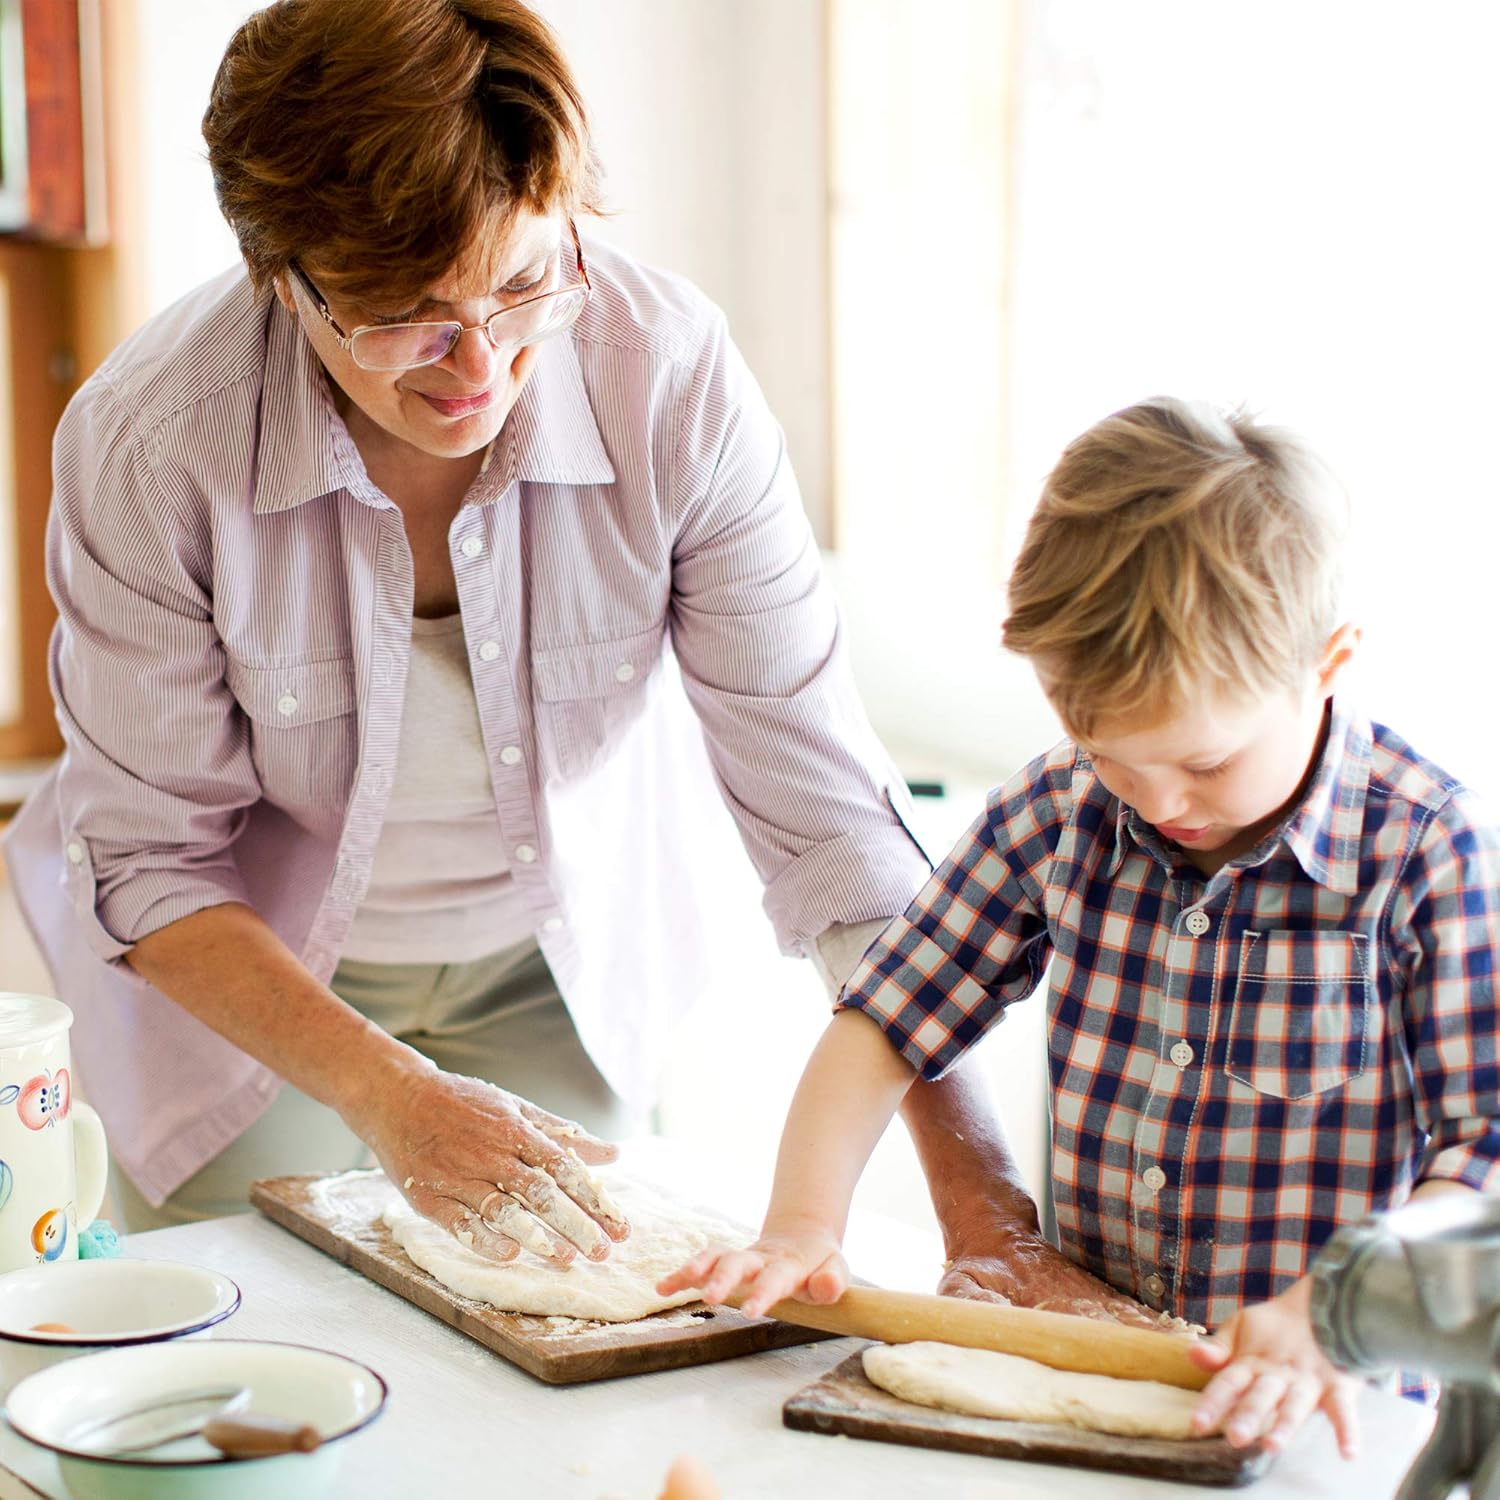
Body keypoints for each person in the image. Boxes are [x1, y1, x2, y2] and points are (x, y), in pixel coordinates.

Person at [0, 0, 1102, 1307]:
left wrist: (981, 1197)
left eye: (525, 285)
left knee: (561, 1365)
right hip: (248, 988)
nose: (482, 364)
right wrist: (394, 1100)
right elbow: (148, 858)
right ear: (278, 271)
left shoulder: (668, 378)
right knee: (281, 1354)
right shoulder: (151, 442)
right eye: (407, 313)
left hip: (556, 962)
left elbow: (827, 818)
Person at [662, 397, 1500, 1456]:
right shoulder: (1062, 809)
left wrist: (1333, 1312)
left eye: (1204, 762)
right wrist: (801, 1222)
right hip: (1096, 1363)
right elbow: (883, 1023)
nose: (1158, 803)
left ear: (1328, 663)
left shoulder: (1426, 852)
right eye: (1106, 751)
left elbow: (1486, 1146)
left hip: (1332, 1409)